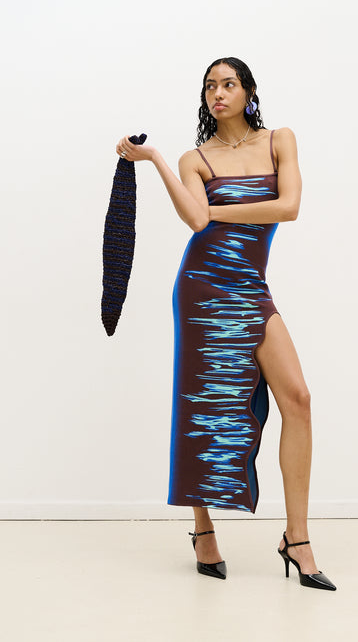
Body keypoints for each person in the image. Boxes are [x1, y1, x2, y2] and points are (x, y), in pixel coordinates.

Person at [116, 57, 336, 591]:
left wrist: (215, 212)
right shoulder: (195, 159)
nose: (218, 93)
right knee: (201, 406)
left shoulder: (279, 140)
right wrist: (156, 159)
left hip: (250, 287)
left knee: (298, 399)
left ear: (248, 91)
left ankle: (297, 538)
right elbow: (195, 220)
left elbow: (288, 207)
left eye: (229, 84)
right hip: (202, 286)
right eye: (210, 86)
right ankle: (202, 529)